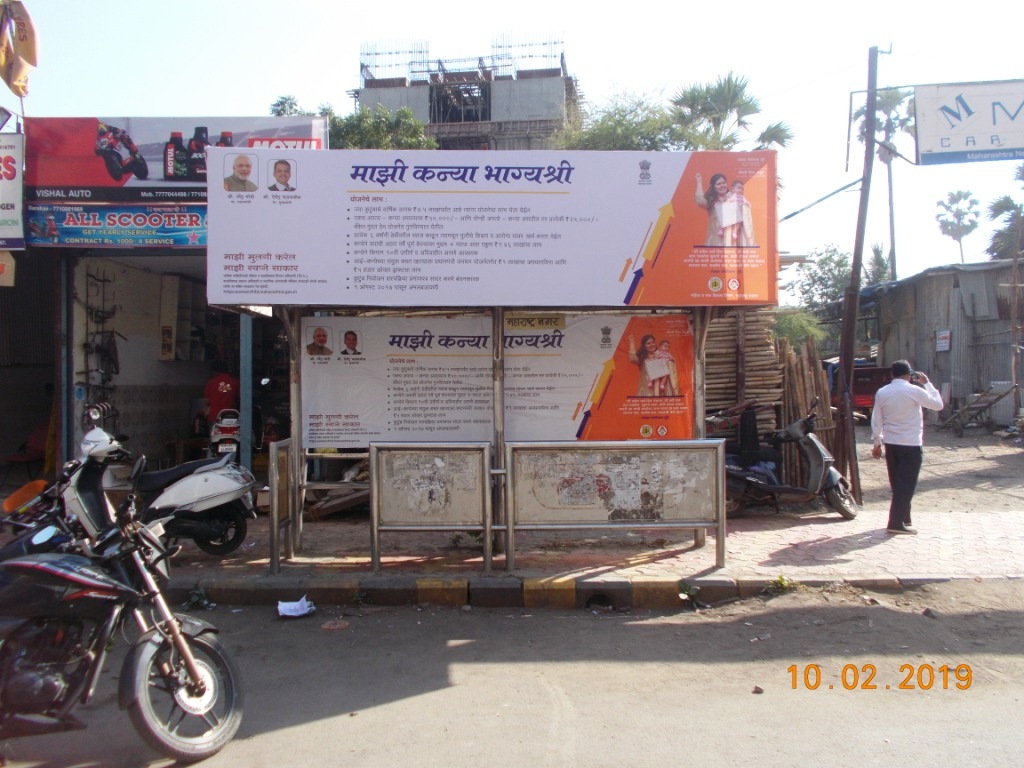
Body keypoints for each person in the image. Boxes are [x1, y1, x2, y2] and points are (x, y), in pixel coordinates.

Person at [870, 360, 944, 534]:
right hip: (910, 443)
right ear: (908, 375)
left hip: (891, 443)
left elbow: (877, 419)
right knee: (907, 483)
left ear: (891, 374)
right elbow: (938, 405)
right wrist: (927, 384)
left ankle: (904, 517)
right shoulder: (913, 390)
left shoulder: (882, 392)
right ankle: (895, 522)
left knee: (897, 482)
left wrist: (876, 443)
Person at [719, 180, 756, 247]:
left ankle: (735, 232)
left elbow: (747, 202)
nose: (740, 190)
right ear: (733, 189)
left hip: (737, 214)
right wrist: (728, 202)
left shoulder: (742, 197)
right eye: (739, 188)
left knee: (739, 222)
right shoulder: (731, 196)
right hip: (731, 214)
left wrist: (748, 204)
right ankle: (722, 229)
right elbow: (727, 202)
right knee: (725, 221)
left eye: (742, 189)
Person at [695, 172, 729, 246]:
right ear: (713, 187)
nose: (722, 185)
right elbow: (700, 201)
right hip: (715, 241)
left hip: (730, 241)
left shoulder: (732, 198)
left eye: (724, 183)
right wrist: (699, 182)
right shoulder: (712, 201)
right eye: (719, 184)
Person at [204, 360, 240, 425]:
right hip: (231, 416)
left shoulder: (211, 382)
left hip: (214, 417)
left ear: (214, 371)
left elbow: (207, 401)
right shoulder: (235, 382)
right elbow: (241, 399)